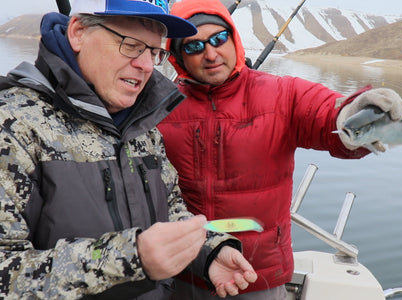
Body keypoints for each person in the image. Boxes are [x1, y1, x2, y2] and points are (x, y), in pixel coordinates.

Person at [0, 0, 258, 299]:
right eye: (132, 45)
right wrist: (133, 258)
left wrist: (208, 252)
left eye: (154, 51)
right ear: (78, 33)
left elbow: (170, 212)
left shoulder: (143, 124)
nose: (147, 65)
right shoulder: (13, 124)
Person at [157, 0, 402, 298]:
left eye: (218, 39)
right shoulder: (159, 107)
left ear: (233, 38)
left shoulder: (282, 94)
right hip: (184, 272)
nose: (211, 54)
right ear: (177, 57)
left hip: (258, 276)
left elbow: (325, 112)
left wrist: (355, 113)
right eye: (194, 47)